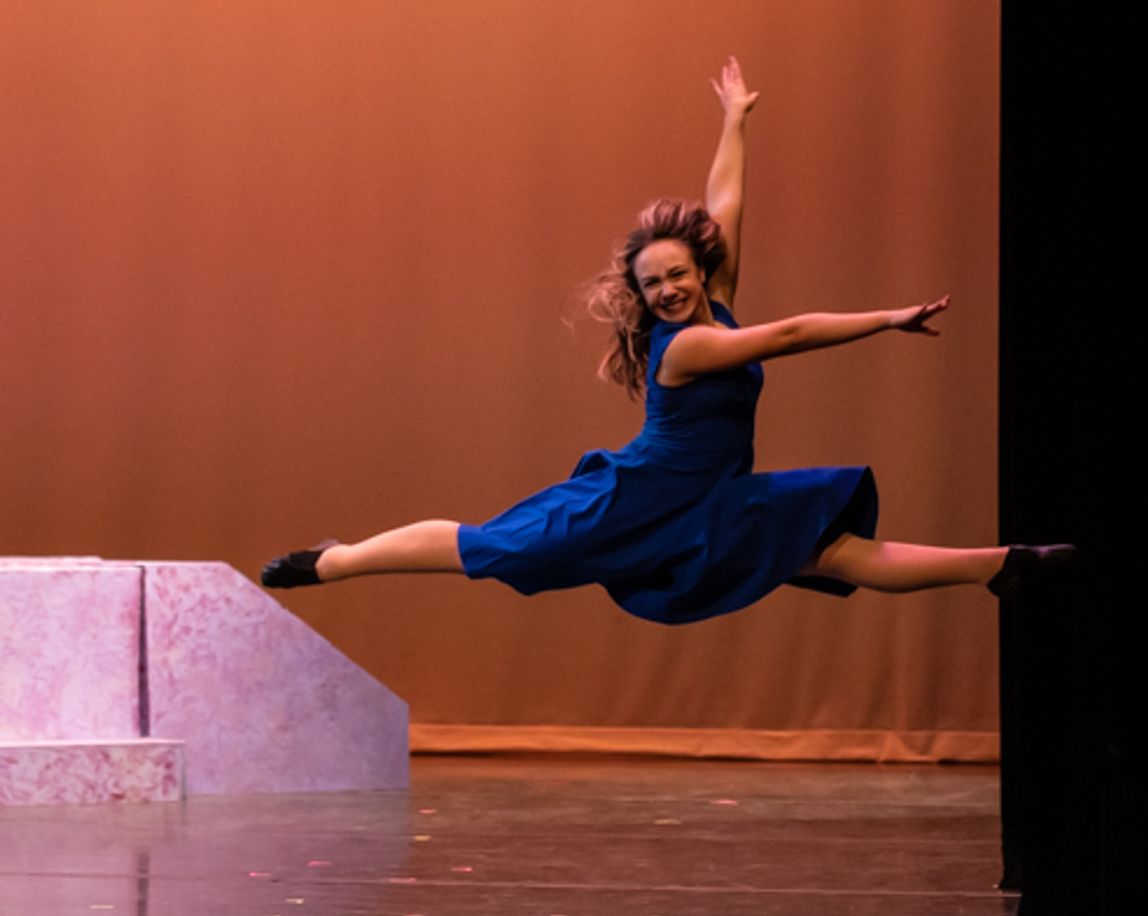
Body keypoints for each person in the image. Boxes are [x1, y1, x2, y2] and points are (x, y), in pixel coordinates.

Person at [262, 57, 1073, 622]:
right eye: (653, 285)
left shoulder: (716, 301)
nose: (669, 291)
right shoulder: (682, 349)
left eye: (678, 275)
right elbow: (791, 334)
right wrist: (887, 319)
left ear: (699, 269)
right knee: (484, 549)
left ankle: (1004, 565)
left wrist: (734, 121)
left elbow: (725, 202)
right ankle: (336, 560)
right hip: (630, 502)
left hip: (704, 501)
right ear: (644, 296)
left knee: (831, 550)